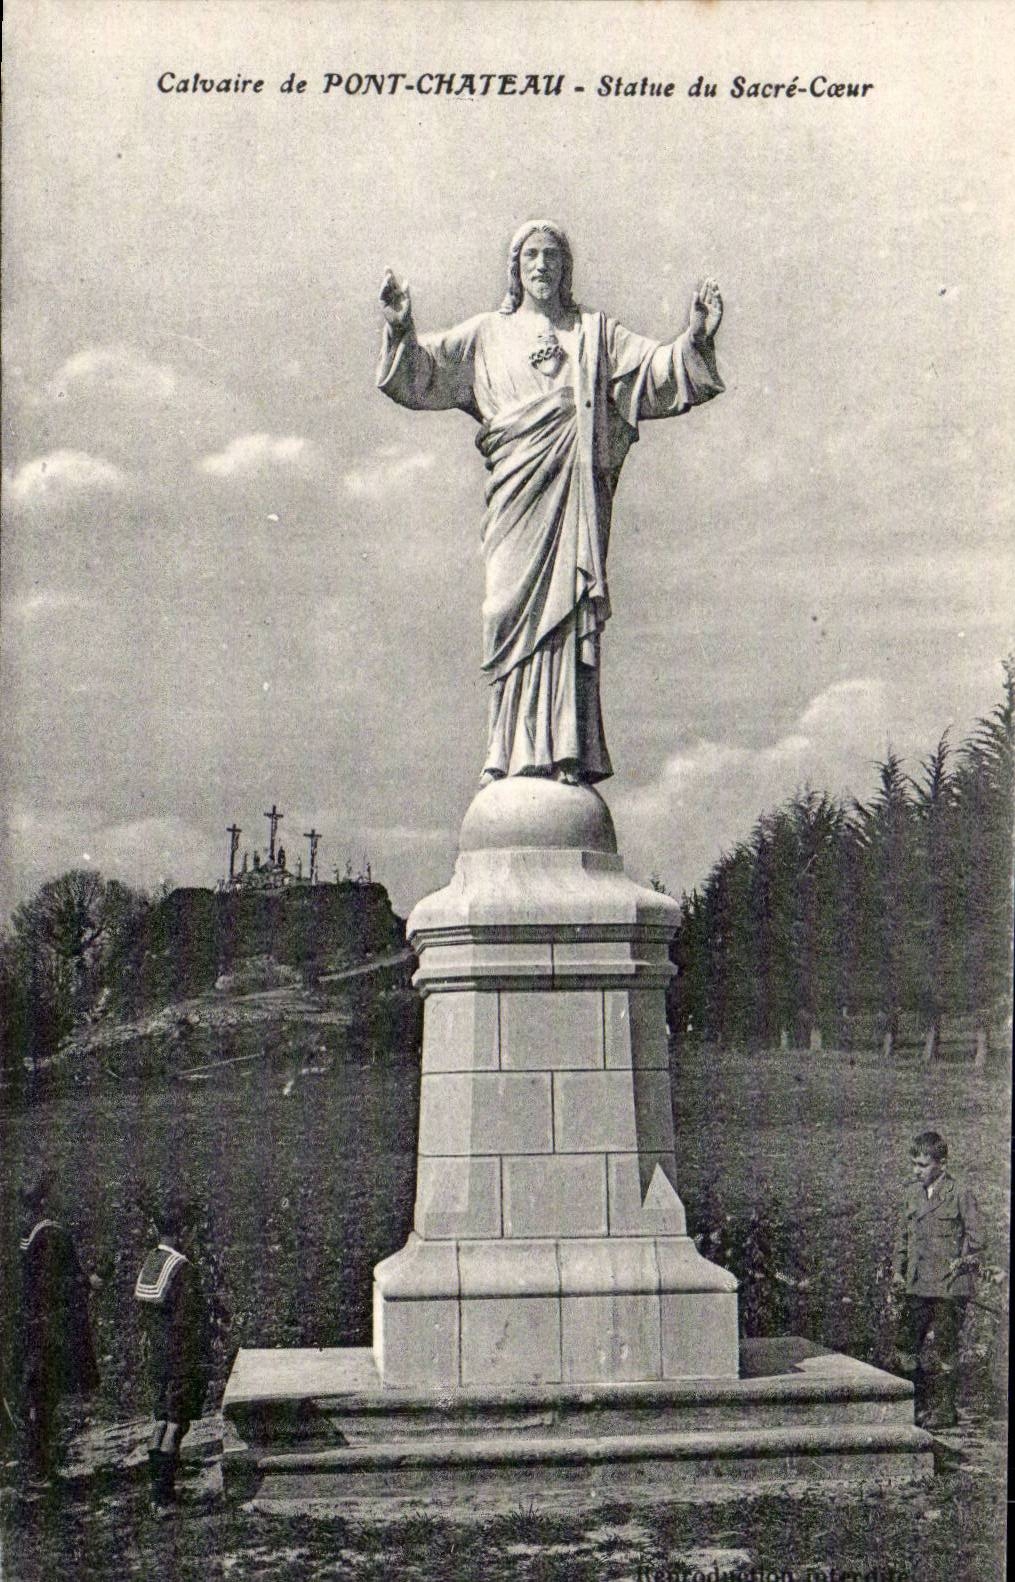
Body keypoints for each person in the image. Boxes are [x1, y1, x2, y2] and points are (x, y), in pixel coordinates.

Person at [377, 220, 724, 786]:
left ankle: (566, 752)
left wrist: (697, 340)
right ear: (515, 267)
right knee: (505, 613)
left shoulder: (595, 334)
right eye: (531, 256)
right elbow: (424, 373)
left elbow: (653, 374)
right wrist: (400, 330)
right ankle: (505, 752)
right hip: (515, 498)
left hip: (573, 501)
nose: (541, 266)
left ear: (567, 268)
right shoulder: (487, 334)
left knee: (564, 620)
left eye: (552, 256)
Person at [892, 1130, 984, 1429]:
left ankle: (944, 1410)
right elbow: (904, 1238)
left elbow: (979, 1237)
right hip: (918, 1284)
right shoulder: (911, 1193)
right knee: (906, 1347)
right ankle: (915, 1406)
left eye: (922, 1165)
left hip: (949, 1286)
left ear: (942, 1164)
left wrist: (965, 1259)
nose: (916, 1171)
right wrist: (898, 1270)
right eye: (913, 1164)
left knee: (944, 1349)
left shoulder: (960, 1193)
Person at [16, 1170, 100, 1483]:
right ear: (47, 1198)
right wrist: (88, 1281)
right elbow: (54, 1285)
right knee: (45, 1397)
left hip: (32, 1324)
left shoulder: (28, 1230)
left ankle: (37, 1464)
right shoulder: (52, 1235)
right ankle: (41, 1468)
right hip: (52, 1328)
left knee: (37, 1396)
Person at [134, 1196, 210, 1514]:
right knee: (178, 1423)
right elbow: (190, 1320)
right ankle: (163, 1497)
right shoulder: (183, 1269)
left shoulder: (152, 1262)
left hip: (156, 1355)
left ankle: (158, 1489)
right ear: (183, 1231)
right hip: (180, 1356)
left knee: (161, 1419)